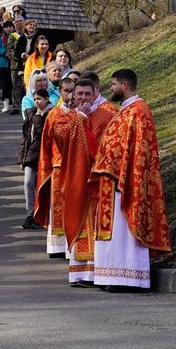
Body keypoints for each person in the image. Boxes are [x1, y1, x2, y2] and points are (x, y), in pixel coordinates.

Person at [90, 69, 172, 293]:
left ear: (125, 85)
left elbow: (141, 151)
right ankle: (113, 276)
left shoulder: (140, 111)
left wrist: (125, 173)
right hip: (112, 180)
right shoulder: (125, 110)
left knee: (125, 232)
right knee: (114, 232)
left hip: (127, 181)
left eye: (114, 84)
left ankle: (130, 278)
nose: (111, 88)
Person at [65, 73, 118, 287]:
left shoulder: (106, 116)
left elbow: (104, 149)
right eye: (79, 94)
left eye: (88, 93)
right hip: (75, 176)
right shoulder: (67, 116)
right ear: (73, 96)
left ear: (96, 92)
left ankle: (97, 272)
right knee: (78, 218)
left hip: (97, 178)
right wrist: (80, 118)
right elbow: (62, 141)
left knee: (96, 224)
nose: (83, 98)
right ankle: (80, 273)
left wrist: (85, 122)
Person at [33, 75, 80, 260]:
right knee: (58, 205)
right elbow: (45, 143)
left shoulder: (81, 111)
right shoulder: (54, 114)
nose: (69, 95)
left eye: (72, 91)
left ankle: (72, 243)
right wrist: (47, 166)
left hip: (76, 167)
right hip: (58, 166)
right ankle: (58, 245)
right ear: (59, 92)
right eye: (66, 91)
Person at [18, 88, 52, 229]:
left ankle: (43, 213)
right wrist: (22, 157)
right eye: (35, 99)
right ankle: (31, 212)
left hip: (46, 155)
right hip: (31, 155)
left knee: (43, 185)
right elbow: (26, 137)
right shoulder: (31, 113)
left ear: (46, 99)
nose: (37, 102)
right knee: (28, 183)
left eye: (40, 99)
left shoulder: (52, 114)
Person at [0, 20, 14, 113]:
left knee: (14, 84)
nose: (9, 29)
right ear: (4, 28)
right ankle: (6, 103)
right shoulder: (0, 37)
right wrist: (6, 53)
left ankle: (15, 102)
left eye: (10, 27)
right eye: (7, 27)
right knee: (5, 84)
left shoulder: (16, 36)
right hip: (3, 63)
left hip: (14, 63)